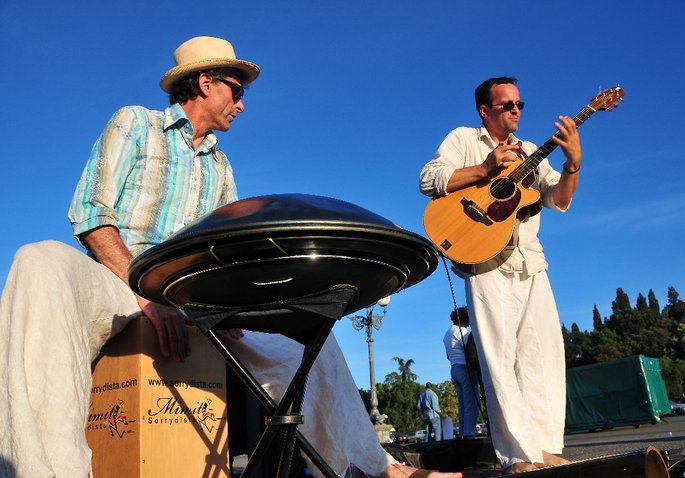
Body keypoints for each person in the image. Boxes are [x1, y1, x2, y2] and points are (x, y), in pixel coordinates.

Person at [0, 36, 461, 478]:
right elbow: (90, 213)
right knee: (38, 260)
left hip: (193, 296)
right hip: (120, 279)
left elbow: (228, 246)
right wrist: (143, 292)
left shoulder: (220, 165)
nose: (242, 105)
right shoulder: (136, 123)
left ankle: (374, 466)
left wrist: (238, 300)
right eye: (236, 91)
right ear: (206, 83)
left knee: (311, 332)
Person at [420, 77, 581, 474]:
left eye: (520, 103)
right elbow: (429, 180)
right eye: (507, 103)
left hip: (530, 261)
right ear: (485, 111)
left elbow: (558, 199)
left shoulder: (530, 152)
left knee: (542, 356)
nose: (516, 109)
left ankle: (543, 447)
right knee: (499, 359)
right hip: (485, 259)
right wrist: (485, 168)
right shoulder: (463, 138)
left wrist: (573, 164)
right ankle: (516, 456)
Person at [443, 306, 480, 437]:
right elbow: (470, 350)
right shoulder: (463, 332)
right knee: (472, 403)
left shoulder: (447, 333)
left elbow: (448, 355)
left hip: (454, 368)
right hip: (465, 369)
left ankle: (464, 432)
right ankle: (469, 434)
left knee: (463, 404)